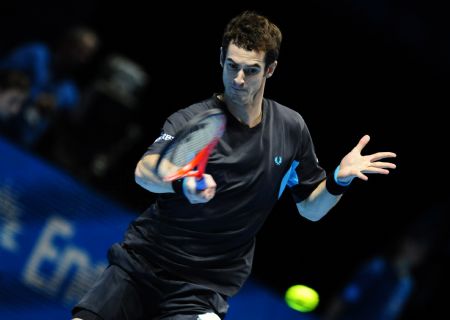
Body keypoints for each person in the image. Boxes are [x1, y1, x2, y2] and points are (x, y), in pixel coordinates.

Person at [71, 11, 396, 320]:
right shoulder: (194, 120)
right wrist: (181, 181)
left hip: (203, 288)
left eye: (251, 69)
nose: (238, 79)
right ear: (221, 59)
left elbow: (311, 209)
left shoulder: (290, 131)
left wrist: (339, 180)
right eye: (231, 66)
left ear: (270, 69)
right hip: (141, 265)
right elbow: (145, 172)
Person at [0, 25, 99, 147]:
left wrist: (54, 113)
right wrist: (33, 98)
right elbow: (4, 76)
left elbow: (65, 132)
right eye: (80, 50)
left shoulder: (70, 92)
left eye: (87, 55)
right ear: (67, 43)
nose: (82, 59)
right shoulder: (34, 55)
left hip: (23, 146)